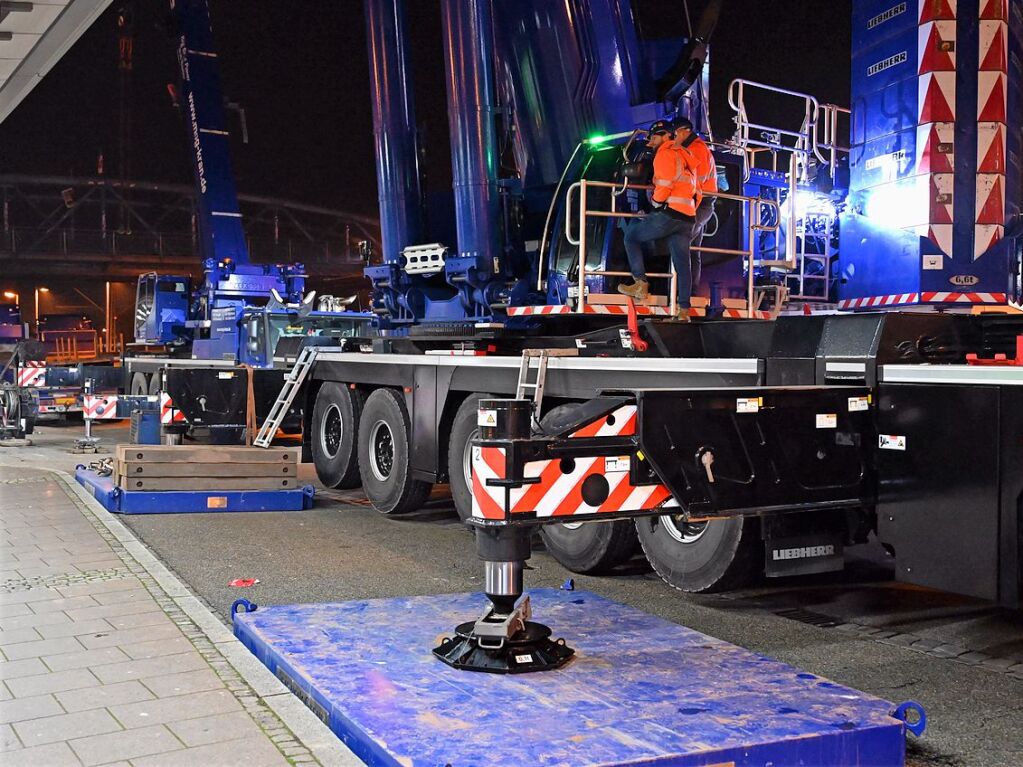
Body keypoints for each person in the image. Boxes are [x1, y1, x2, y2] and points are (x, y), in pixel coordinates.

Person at [617, 119, 699, 317]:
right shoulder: (686, 155)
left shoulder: (664, 154)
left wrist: (655, 203)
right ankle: (684, 310)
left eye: (654, 136)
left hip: (669, 214)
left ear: (666, 136)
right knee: (683, 264)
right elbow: (698, 191)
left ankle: (640, 283)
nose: (652, 140)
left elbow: (664, 185)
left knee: (631, 237)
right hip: (688, 217)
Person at [673, 116, 717, 293]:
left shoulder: (696, 149)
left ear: (685, 131)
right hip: (699, 203)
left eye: (675, 133)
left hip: (699, 203)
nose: (674, 137)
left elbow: (696, 180)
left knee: (682, 243)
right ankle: (690, 290)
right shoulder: (693, 147)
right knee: (692, 249)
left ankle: (684, 291)